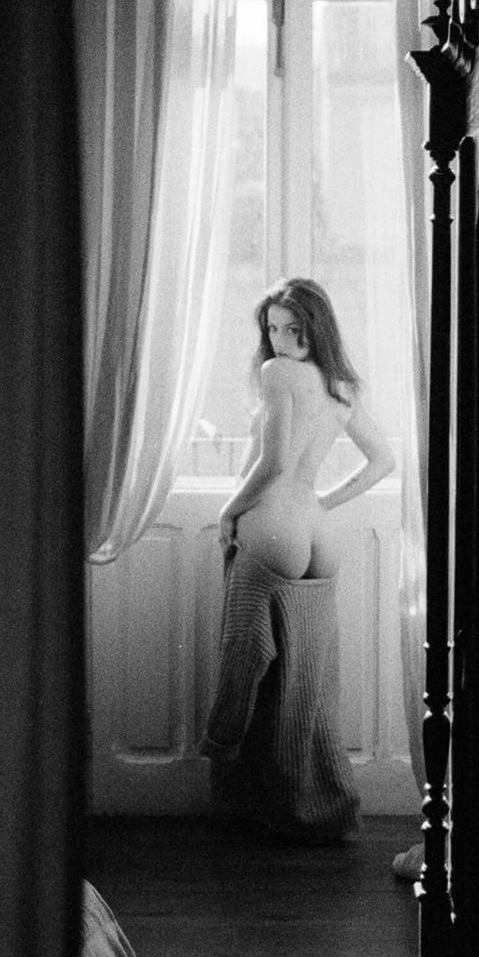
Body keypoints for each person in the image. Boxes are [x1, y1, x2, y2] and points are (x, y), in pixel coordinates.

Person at [200, 278, 396, 844]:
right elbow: (381, 459)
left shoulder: (277, 375)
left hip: (271, 529)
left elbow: (273, 461)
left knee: (246, 664)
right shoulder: (338, 385)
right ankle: (312, 807)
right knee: (304, 683)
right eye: (273, 330)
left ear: (317, 327)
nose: (282, 341)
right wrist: (322, 503)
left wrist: (228, 512)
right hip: (314, 535)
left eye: (294, 329)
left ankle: (242, 798)